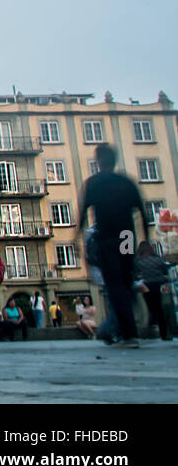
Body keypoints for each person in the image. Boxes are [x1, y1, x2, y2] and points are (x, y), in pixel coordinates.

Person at [80, 144, 147, 349]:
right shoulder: (126, 182)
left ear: (99, 160)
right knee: (125, 279)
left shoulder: (94, 183)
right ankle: (127, 326)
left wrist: (78, 240)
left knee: (115, 284)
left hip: (107, 239)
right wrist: (146, 240)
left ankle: (126, 332)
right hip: (126, 236)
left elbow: (83, 214)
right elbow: (143, 214)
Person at [135, 241, 171, 341]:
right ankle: (164, 333)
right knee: (159, 308)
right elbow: (165, 271)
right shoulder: (158, 260)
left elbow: (135, 274)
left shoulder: (138, 261)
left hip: (145, 286)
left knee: (150, 308)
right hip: (158, 285)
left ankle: (148, 332)